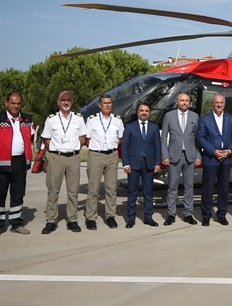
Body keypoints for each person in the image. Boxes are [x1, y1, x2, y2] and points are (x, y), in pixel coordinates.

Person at [0, 91, 33, 238]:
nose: (15, 106)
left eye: (18, 103)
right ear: (6, 103)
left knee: (18, 193)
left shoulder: (27, 119)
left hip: (20, 162)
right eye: (13, 103)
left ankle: (16, 223)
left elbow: (30, 139)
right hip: (1, 162)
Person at [40, 91, 86, 234]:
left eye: (69, 100)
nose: (66, 102)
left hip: (73, 158)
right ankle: (51, 220)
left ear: (72, 102)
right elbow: (46, 138)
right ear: (58, 102)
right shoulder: (51, 119)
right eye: (63, 100)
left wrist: (74, 146)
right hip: (57, 157)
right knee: (53, 190)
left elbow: (83, 137)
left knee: (73, 191)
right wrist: (56, 149)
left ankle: (72, 220)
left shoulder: (78, 118)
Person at [160, 92, 201, 225]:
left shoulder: (195, 116)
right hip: (174, 156)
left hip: (190, 156)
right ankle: (171, 214)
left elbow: (198, 138)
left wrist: (198, 155)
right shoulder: (169, 116)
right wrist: (165, 156)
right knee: (172, 187)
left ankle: (188, 213)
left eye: (187, 100)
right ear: (177, 102)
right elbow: (163, 138)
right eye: (182, 100)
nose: (184, 103)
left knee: (189, 187)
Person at [197, 94, 232, 226]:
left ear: (224, 104)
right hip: (211, 158)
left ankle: (222, 214)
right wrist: (213, 151)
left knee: (224, 188)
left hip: (226, 158)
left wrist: (229, 151)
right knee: (208, 188)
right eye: (216, 102)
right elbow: (200, 138)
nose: (219, 105)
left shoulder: (230, 118)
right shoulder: (204, 119)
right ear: (212, 104)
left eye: (221, 102)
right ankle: (206, 215)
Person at [84, 94, 124, 229]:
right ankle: (91, 217)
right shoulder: (92, 120)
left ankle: (110, 216)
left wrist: (112, 145)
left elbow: (120, 137)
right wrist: (96, 147)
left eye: (109, 103)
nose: (107, 105)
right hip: (96, 155)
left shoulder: (117, 120)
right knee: (93, 188)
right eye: (105, 103)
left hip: (112, 155)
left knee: (111, 188)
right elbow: (87, 138)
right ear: (99, 105)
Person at [122, 101, 162, 228]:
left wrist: (157, 162)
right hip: (133, 164)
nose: (144, 113)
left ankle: (148, 217)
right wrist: (126, 164)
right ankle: (131, 218)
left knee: (148, 192)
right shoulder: (130, 127)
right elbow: (124, 147)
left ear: (149, 113)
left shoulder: (154, 127)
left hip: (149, 164)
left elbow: (158, 146)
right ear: (137, 112)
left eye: (146, 111)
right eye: (142, 110)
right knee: (132, 192)